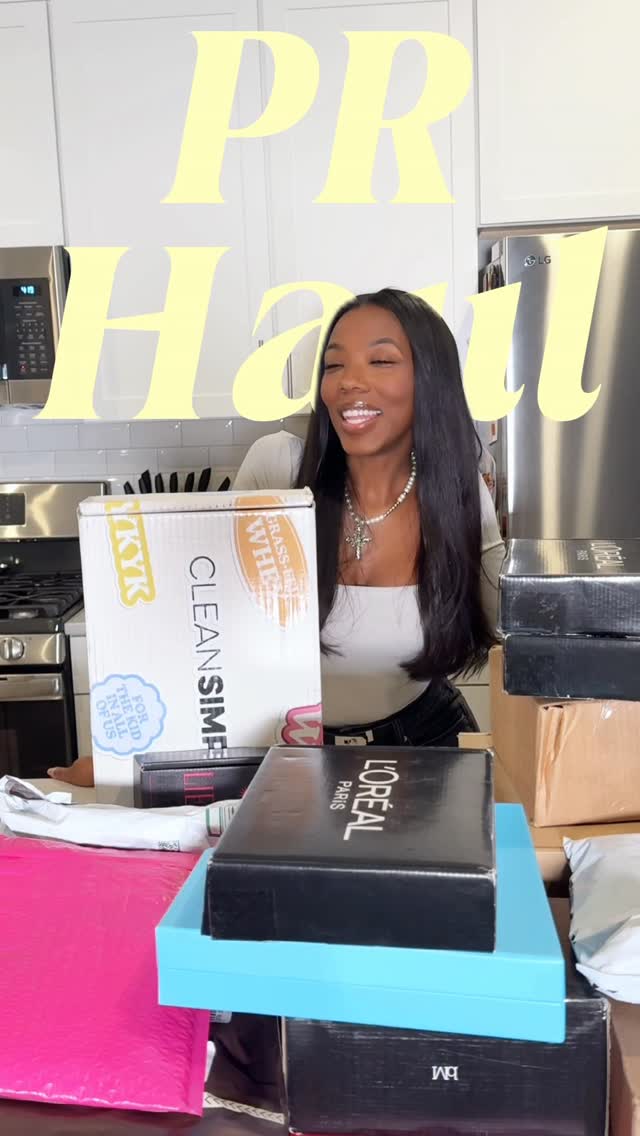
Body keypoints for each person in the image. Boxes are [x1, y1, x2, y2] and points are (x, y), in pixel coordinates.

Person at [48, 287, 505, 786]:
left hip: (427, 742)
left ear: (430, 379)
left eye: (380, 361)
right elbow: (200, 626)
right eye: (334, 365)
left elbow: (512, 627)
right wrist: (123, 757)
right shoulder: (280, 470)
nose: (349, 382)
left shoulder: (457, 494)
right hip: (287, 753)